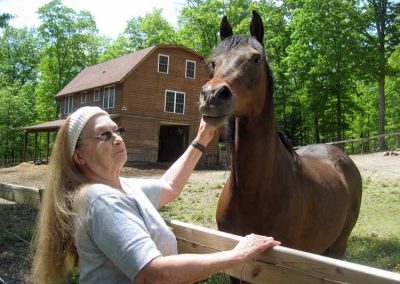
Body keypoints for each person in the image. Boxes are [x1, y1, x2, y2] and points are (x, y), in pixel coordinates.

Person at [31, 106, 280, 284]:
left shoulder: (123, 187)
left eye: (117, 131)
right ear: (80, 157)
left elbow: (169, 186)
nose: (117, 139)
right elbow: (153, 274)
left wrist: (202, 139)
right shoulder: (101, 200)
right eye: (104, 135)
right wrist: (236, 255)